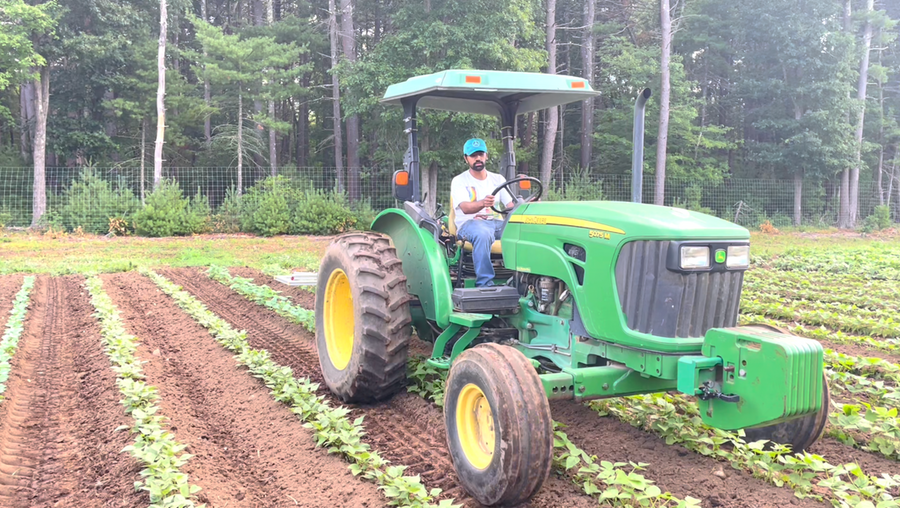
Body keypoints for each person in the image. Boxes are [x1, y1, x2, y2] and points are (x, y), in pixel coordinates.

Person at [450, 138, 514, 287]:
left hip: (495, 224)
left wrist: (525, 206)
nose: (477, 158)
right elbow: (465, 208)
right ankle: (485, 284)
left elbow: (510, 205)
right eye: (473, 155)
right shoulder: (459, 181)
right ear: (466, 159)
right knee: (483, 233)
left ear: (486, 156)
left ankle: (523, 280)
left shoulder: (498, 179)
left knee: (522, 230)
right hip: (469, 224)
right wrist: (482, 203)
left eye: (480, 154)